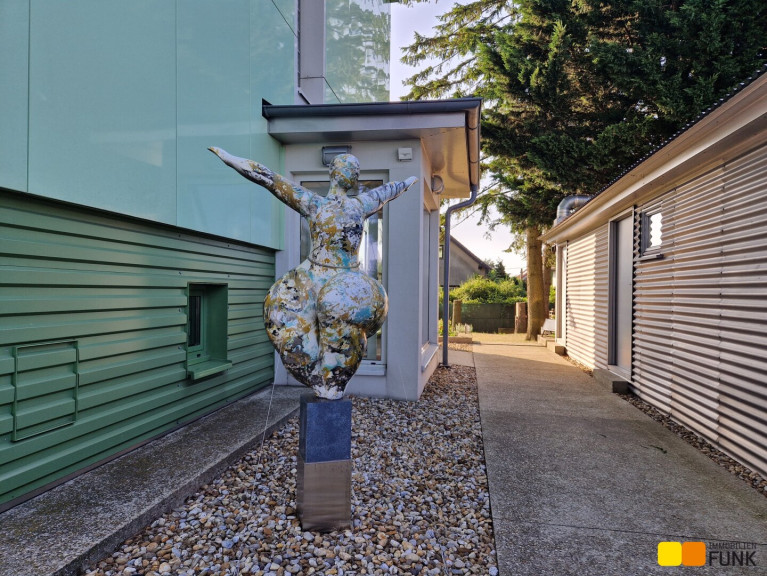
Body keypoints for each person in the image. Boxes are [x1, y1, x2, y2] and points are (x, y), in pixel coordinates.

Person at [209, 147, 416, 399]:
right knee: (288, 329)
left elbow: (389, 190)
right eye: (347, 167)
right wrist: (232, 159)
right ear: (333, 172)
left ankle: (333, 384)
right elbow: (270, 179)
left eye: (356, 170)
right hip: (312, 277)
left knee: (341, 337)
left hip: (346, 282)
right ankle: (321, 382)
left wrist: (407, 182)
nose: (352, 173)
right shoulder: (314, 203)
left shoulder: (360, 205)